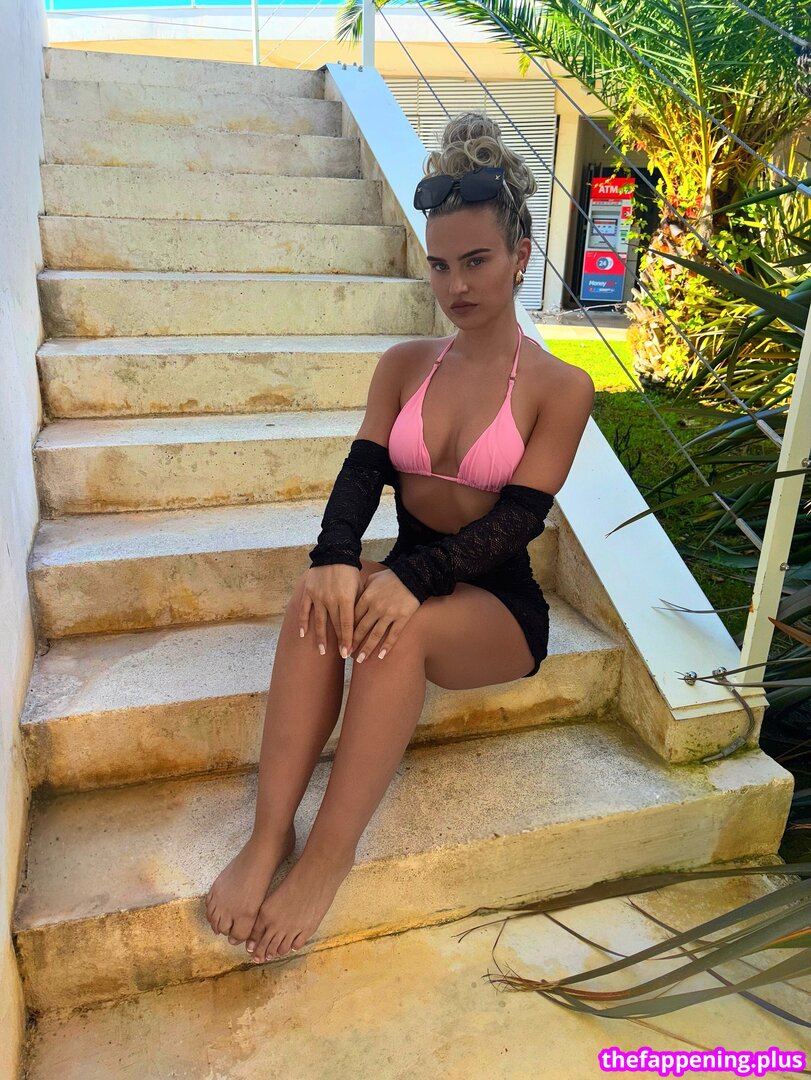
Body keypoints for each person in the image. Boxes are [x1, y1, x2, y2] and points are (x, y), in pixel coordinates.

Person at [205, 112, 594, 964]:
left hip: (494, 605)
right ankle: (269, 836)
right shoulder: (405, 363)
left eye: (476, 260)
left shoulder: (561, 387)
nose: (456, 284)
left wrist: (409, 579)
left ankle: (327, 859)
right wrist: (335, 559)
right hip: (411, 572)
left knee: (396, 630)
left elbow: (518, 521)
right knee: (316, 601)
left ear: (520, 256)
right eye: (440, 264)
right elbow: (361, 476)